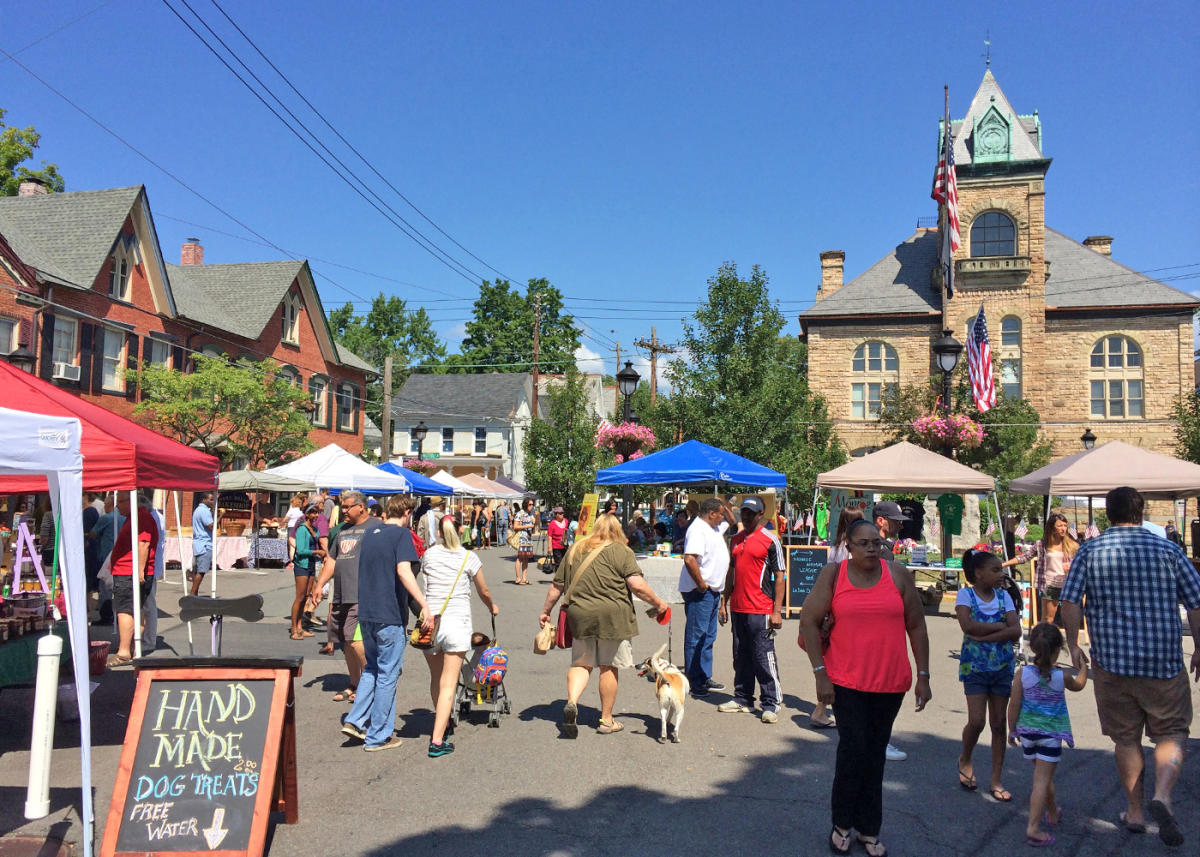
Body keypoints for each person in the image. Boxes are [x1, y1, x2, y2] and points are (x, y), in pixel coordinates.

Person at [1059, 486, 1200, 847]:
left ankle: (1135, 810)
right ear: (1141, 512)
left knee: (1126, 738)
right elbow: (1196, 602)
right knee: (1170, 732)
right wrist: (1199, 647)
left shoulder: (1090, 550)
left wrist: (1074, 644)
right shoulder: (1169, 549)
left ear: (1108, 514)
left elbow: (1071, 600)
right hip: (1163, 662)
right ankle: (1163, 797)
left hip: (1113, 663)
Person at [799, 518, 931, 857]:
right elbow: (808, 621)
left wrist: (924, 676)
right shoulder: (834, 575)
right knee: (853, 751)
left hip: (890, 683)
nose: (873, 548)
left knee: (875, 756)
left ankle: (869, 829)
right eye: (864, 543)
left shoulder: (897, 574)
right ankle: (842, 824)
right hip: (846, 681)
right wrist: (820, 674)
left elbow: (916, 625)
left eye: (877, 542)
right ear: (849, 545)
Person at [539, 513, 669, 737]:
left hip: (580, 614)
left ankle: (572, 702)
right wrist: (659, 603)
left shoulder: (576, 549)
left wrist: (545, 612)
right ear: (618, 531)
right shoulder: (622, 551)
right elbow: (636, 586)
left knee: (582, 664)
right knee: (608, 666)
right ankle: (607, 720)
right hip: (613, 617)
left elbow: (556, 587)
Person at [341, 495, 432, 752]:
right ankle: (377, 735)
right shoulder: (401, 535)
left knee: (372, 669)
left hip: (367, 611)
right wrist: (423, 604)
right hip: (388, 613)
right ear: (406, 513)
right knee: (388, 674)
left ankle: (356, 719)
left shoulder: (369, 533)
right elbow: (404, 571)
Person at [419, 512, 499, 756]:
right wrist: (492, 606)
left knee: (436, 679)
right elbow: (483, 590)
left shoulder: (429, 554)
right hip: (456, 623)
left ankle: (444, 723)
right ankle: (437, 740)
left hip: (431, 624)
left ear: (439, 533)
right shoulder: (468, 558)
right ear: (461, 530)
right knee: (448, 684)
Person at [1007, 622, 1087, 847]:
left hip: (1028, 735)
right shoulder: (1061, 677)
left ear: (1033, 647)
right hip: (1050, 736)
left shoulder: (1022, 674)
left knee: (1043, 775)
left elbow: (1013, 705)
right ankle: (1033, 827)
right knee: (1041, 780)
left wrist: (1012, 730)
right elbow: (1079, 684)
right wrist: (1084, 668)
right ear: (1057, 651)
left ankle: (1052, 812)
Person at [955, 548, 1021, 801]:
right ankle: (966, 757)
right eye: (995, 570)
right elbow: (968, 626)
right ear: (979, 573)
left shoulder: (1004, 596)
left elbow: (1015, 630)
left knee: (998, 724)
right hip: (975, 667)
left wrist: (986, 635)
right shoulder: (966, 595)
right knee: (977, 721)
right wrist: (999, 627)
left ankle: (996, 778)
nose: (1000, 574)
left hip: (1002, 667)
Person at [717, 497, 785, 723]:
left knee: (763, 656)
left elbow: (780, 577)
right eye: (743, 512)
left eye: (750, 513)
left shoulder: (770, 540)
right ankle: (743, 698)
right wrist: (724, 602)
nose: (745, 517)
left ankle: (771, 702)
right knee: (741, 655)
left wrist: (777, 611)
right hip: (739, 608)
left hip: (761, 609)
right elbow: (731, 572)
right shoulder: (735, 539)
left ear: (761, 516)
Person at [311, 490, 377, 703]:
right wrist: (319, 584)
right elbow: (331, 560)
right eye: (343, 507)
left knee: (356, 641)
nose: (344, 511)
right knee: (346, 642)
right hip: (341, 593)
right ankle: (354, 683)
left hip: (363, 595)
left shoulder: (375, 528)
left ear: (361, 507)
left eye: (348, 507)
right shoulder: (341, 531)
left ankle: (372, 683)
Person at [679, 497, 732, 698]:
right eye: (720, 513)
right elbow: (690, 558)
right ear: (711, 514)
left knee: (709, 635)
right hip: (700, 590)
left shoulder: (714, 528)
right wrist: (701, 584)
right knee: (697, 635)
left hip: (713, 590)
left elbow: (732, 521)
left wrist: (724, 504)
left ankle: (704, 675)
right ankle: (695, 680)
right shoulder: (698, 529)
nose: (723, 517)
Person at [872, 500, 911, 762]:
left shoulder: (882, 547)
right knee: (881, 687)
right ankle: (879, 741)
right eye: (894, 519)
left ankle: (876, 739)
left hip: (879, 625)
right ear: (880, 521)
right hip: (879, 627)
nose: (899, 524)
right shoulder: (878, 549)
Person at [106, 493, 160, 667]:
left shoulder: (141, 517)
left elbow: (143, 543)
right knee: (135, 609)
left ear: (131, 502)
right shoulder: (138, 517)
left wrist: (139, 571)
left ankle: (123, 652)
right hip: (130, 571)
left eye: (120, 502)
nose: (117, 506)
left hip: (129, 572)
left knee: (126, 610)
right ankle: (131, 648)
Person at [1003, 513, 1077, 625]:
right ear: (1052, 528)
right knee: (1048, 618)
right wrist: (1004, 564)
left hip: (1068, 585)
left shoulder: (1072, 545)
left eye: (1065, 525)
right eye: (1059, 526)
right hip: (1049, 584)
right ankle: (1043, 640)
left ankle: (1072, 642)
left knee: (1070, 619)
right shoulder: (1042, 544)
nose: (1063, 529)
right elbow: (1024, 557)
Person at [289, 504, 326, 640]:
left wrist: (319, 554)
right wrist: (317, 552)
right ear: (307, 514)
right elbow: (300, 550)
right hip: (302, 565)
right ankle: (294, 629)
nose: (316, 515)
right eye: (313, 513)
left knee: (305, 597)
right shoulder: (302, 529)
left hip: (311, 564)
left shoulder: (314, 529)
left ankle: (300, 627)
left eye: (317, 513)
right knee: (299, 597)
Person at [189, 492, 214, 597]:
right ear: (204, 499)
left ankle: (195, 593)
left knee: (198, 570)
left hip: (199, 543)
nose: (213, 502)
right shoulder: (203, 511)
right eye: (211, 499)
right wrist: (221, 516)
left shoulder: (199, 510)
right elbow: (211, 526)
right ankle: (192, 594)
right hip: (204, 544)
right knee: (201, 571)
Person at [513, 498, 536, 585]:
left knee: (526, 558)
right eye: (530, 504)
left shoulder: (530, 514)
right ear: (526, 504)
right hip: (522, 538)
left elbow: (532, 526)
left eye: (532, 504)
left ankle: (524, 578)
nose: (531, 506)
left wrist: (534, 523)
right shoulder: (520, 513)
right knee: (520, 557)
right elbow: (515, 526)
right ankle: (518, 578)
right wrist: (526, 526)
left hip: (528, 538)